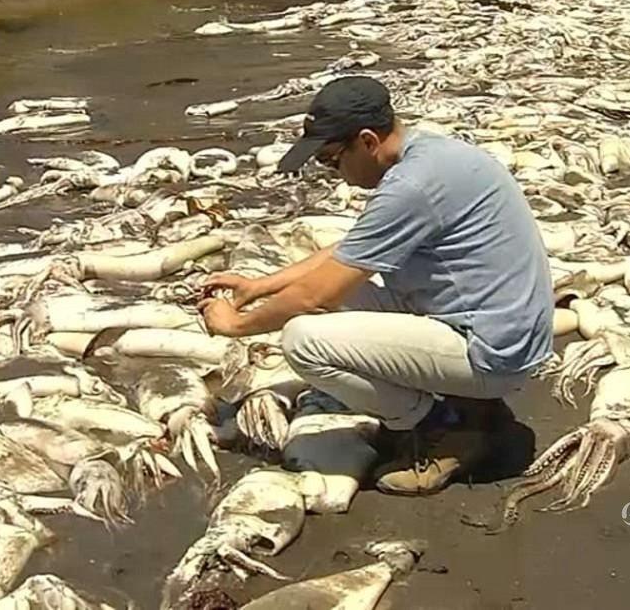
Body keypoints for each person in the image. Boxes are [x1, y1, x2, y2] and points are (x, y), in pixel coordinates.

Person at [197, 76, 553, 496]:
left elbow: (317, 295)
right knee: (331, 301)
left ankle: (447, 429)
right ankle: (468, 407)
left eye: (331, 160)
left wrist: (234, 327)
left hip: (492, 351)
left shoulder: (413, 186)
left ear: (367, 141)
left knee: (302, 338)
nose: (334, 174)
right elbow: (352, 248)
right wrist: (260, 286)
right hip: (495, 325)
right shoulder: (431, 155)